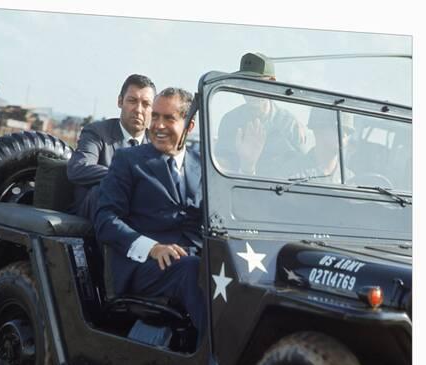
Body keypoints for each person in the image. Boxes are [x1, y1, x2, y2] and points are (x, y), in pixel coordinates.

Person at [94, 87, 205, 343]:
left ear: (189, 126)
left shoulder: (204, 166)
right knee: (192, 269)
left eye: (169, 118)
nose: (158, 126)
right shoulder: (129, 161)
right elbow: (106, 221)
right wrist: (153, 248)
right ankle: (215, 361)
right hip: (144, 266)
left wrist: (250, 161)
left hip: (195, 259)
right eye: (155, 117)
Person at [67, 74, 156, 220]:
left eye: (146, 104)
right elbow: (78, 168)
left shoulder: (155, 144)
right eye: (132, 101)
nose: (139, 110)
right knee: (103, 191)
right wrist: (124, 176)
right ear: (120, 101)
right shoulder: (97, 132)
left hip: (138, 219)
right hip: (92, 216)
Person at [215, 52, 306, 176]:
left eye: (256, 83)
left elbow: (301, 171)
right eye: (245, 83)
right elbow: (220, 167)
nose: (250, 90)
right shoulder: (230, 121)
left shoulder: (289, 125)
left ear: (272, 83)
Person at [290, 108, 355, 184]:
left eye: (348, 132)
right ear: (318, 131)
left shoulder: (350, 179)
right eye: (338, 128)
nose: (344, 135)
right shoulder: (294, 172)